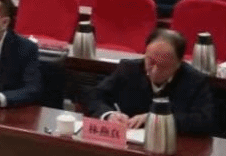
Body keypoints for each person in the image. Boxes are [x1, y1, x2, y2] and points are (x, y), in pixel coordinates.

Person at [86, 29, 216, 135]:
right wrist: (109, 114)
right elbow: (95, 95)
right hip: (128, 142)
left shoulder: (195, 80)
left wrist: (156, 119)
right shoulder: (129, 69)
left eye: (163, 66)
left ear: (179, 63)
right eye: (150, 62)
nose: (154, 71)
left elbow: (204, 121)